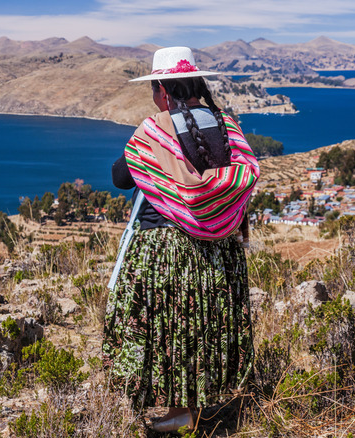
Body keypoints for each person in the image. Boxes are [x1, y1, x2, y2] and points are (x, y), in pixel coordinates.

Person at [103, 46, 258, 433]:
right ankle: (198, 407)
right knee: (202, 324)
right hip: (220, 249)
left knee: (165, 327)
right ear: (196, 84)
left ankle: (174, 413)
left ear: (161, 89)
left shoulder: (154, 131)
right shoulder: (226, 125)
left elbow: (121, 177)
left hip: (167, 249)